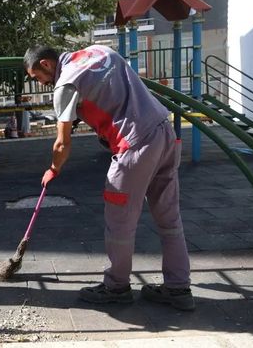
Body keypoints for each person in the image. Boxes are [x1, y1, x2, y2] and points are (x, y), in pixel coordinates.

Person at [23, 44, 194, 311]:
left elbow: (61, 144)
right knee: (169, 218)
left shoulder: (65, 84)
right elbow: (112, 92)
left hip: (135, 145)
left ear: (46, 64)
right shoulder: (101, 51)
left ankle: (116, 287)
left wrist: (54, 169)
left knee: (120, 222)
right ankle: (178, 288)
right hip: (165, 132)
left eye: (38, 77)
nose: (42, 83)